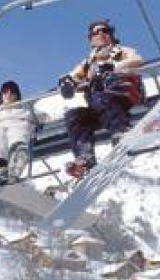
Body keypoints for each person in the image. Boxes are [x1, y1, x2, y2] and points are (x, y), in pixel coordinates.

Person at [58, 19, 144, 178]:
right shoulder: (89, 62)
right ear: (91, 40)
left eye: (105, 30)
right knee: (74, 115)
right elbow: (73, 76)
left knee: (101, 97)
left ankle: (121, 132)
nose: (101, 34)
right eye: (96, 32)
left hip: (122, 94)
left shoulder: (121, 51)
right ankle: (85, 157)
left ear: (111, 35)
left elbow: (137, 61)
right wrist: (67, 84)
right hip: (99, 105)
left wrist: (113, 67)